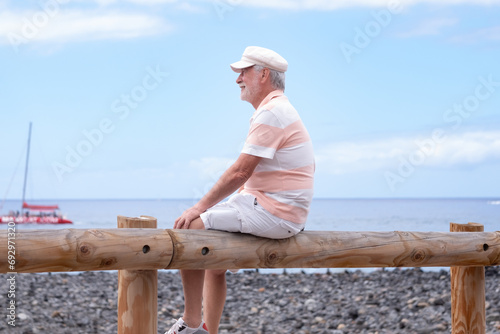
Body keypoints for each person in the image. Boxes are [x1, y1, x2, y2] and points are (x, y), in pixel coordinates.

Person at [166, 46, 315, 334]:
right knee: (215, 264)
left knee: (190, 228)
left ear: (263, 74)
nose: (238, 79)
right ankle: (210, 331)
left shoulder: (273, 112)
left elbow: (240, 171)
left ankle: (191, 323)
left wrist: (200, 207)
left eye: (244, 72)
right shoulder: (278, 109)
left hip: (277, 212)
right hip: (284, 211)